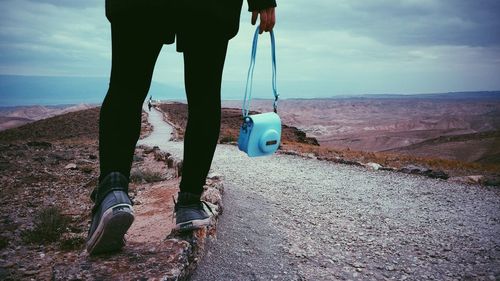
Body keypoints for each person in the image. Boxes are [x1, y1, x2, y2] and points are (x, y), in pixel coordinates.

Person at [86, 0, 277, 255]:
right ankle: (189, 203)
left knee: (126, 86)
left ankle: (112, 193)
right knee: (204, 97)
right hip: (208, 8)